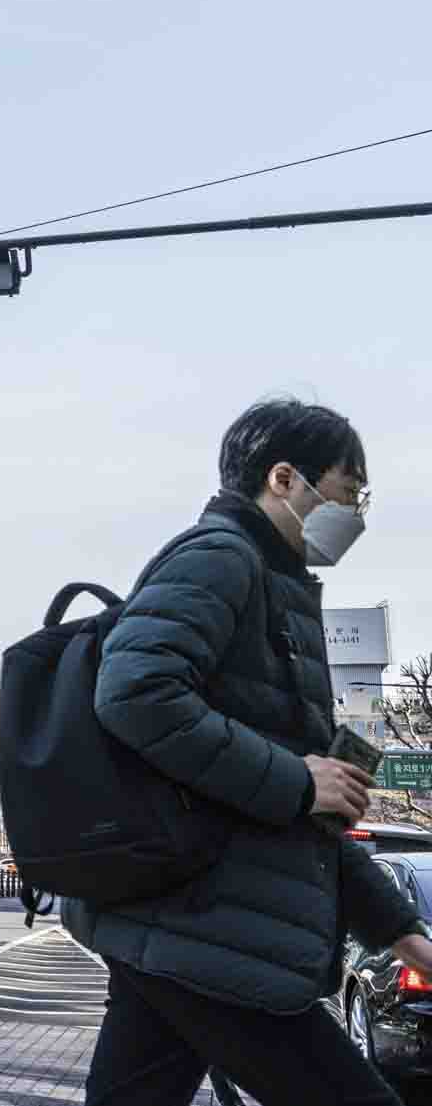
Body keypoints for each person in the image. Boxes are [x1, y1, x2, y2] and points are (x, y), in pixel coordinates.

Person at [69, 400, 432, 1106]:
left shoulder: (273, 587)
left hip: (190, 930)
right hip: (218, 937)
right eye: (349, 492)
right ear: (285, 477)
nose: (355, 513)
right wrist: (298, 777)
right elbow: (134, 692)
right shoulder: (222, 557)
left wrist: (398, 932)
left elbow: (302, 823)